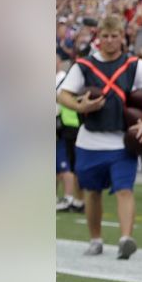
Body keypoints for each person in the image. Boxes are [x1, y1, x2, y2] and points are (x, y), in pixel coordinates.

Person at [56, 15, 142, 259]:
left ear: (122, 37)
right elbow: (62, 94)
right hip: (90, 140)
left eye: (114, 36)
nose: (109, 41)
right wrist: (80, 107)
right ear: (98, 39)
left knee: (124, 189)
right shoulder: (84, 65)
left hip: (121, 140)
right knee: (92, 192)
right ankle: (96, 239)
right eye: (105, 36)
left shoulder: (134, 65)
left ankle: (126, 239)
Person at [55, 56, 85, 213]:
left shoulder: (63, 79)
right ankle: (72, 198)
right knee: (59, 164)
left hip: (69, 125)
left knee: (67, 164)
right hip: (64, 125)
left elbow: (61, 98)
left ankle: (71, 198)